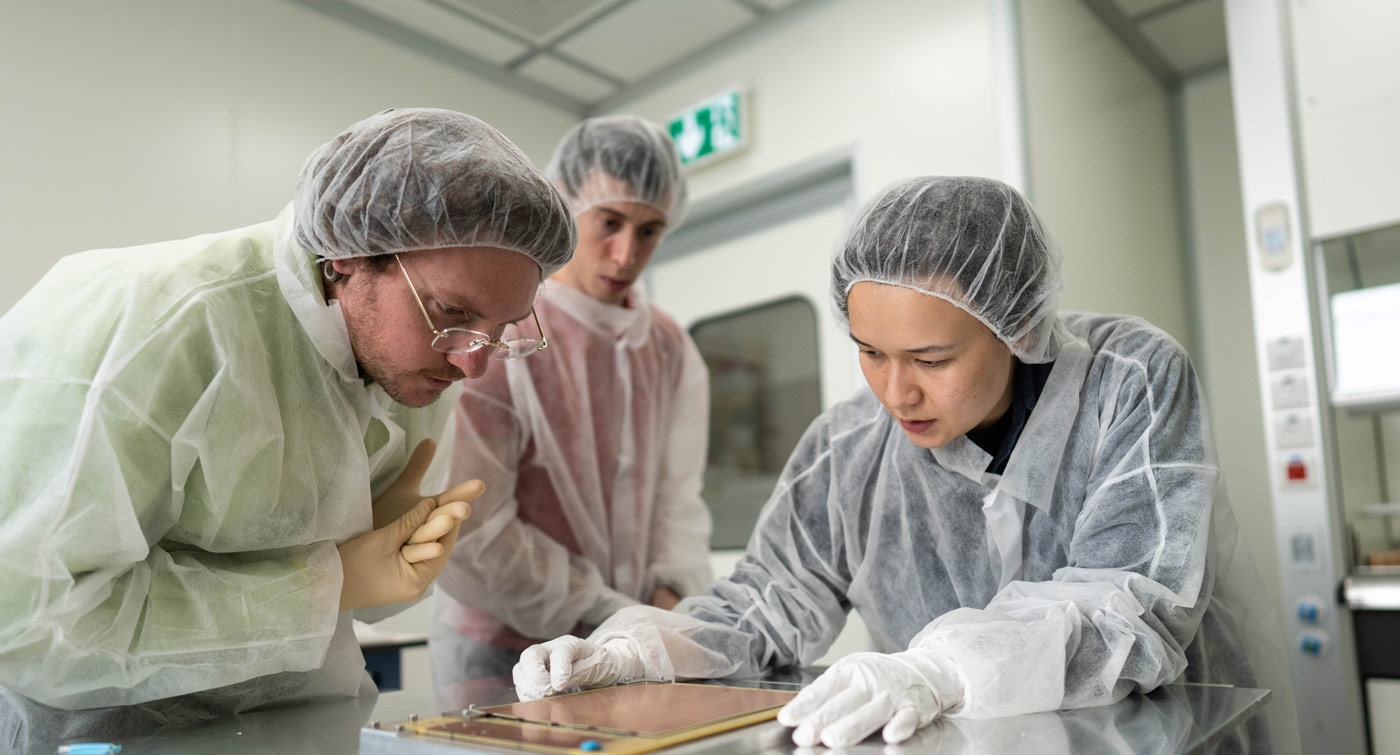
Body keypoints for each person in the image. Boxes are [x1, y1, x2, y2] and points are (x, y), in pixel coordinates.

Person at [511, 177, 1299, 753]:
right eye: (870, 353)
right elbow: (766, 601)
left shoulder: (1126, 379)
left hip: (1159, 732)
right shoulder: (845, 447)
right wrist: (637, 653)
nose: (896, 390)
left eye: (930, 357)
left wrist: (942, 668)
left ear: (1016, 323)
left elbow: (1131, 607)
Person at [0, 108, 576, 743]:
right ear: (350, 257)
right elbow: (28, 618)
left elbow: (357, 596)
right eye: (453, 311)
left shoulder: (411, 360)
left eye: (502, 330)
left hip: (302, 729)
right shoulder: (155, 325)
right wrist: (317, 588)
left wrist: (376, 565)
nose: (473, 362)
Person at [429, 115, 713, 685]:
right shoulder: (506, 324)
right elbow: (473, 526)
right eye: (609, 222)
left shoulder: (669, 346)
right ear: (565, 203)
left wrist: (663, 602)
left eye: (650, 230)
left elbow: (676, 500)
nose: (626, 253)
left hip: (628, 644)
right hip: (500, 650)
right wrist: (606, 608)